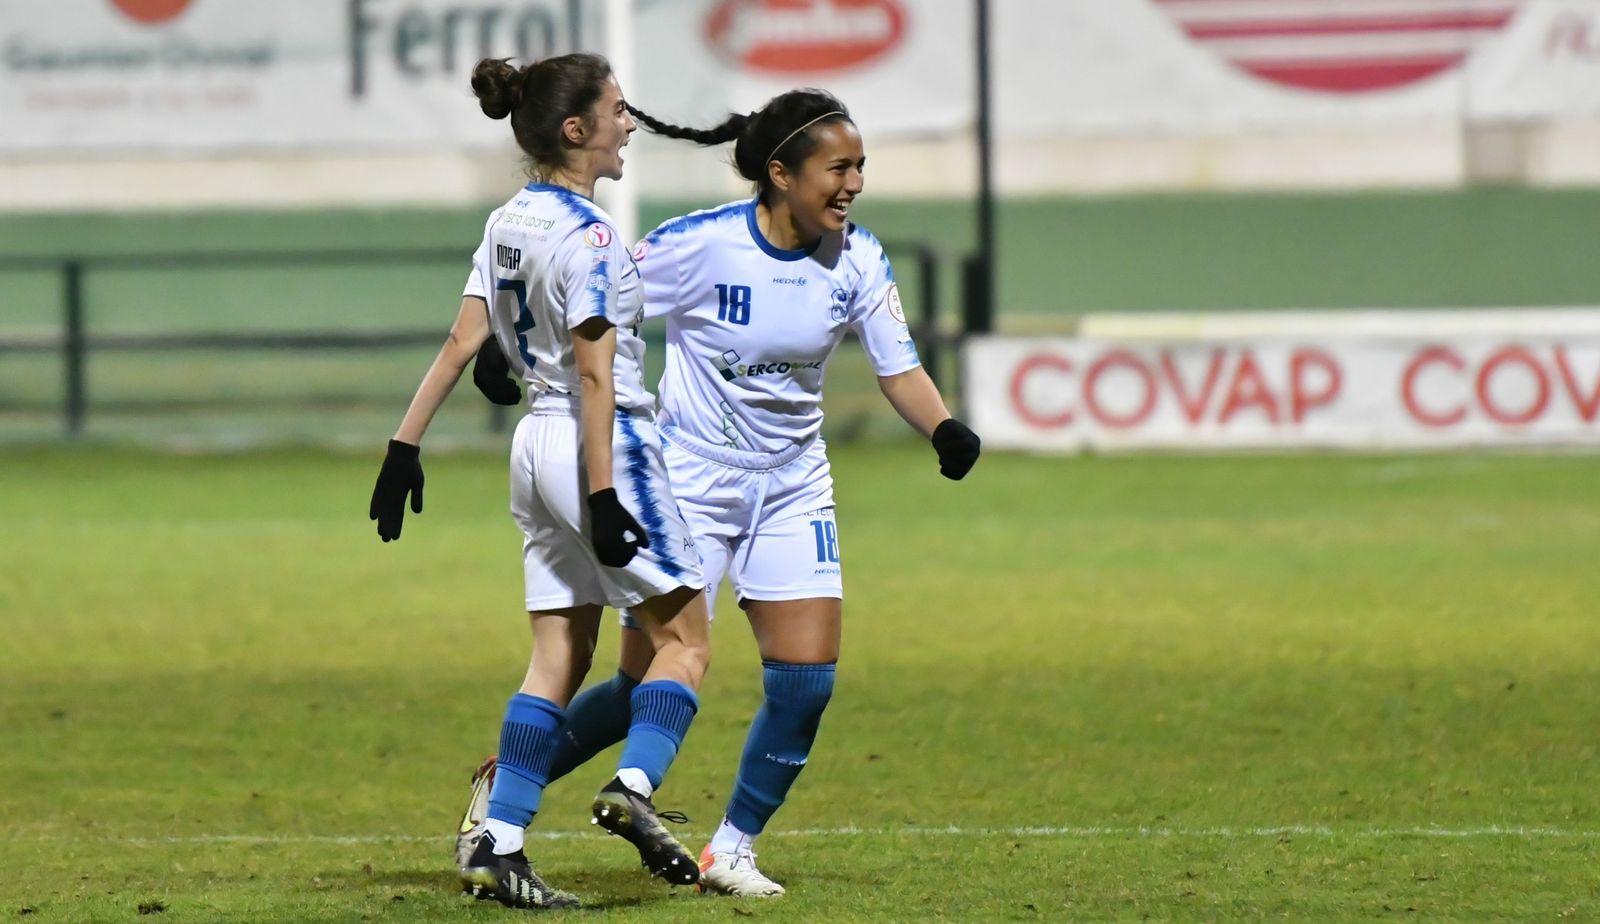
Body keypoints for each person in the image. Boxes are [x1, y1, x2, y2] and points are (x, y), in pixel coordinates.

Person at [463, 88, 982, 897]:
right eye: (837, 169)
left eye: (860, 168)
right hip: (688, 479)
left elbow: (899, 365)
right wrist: (505, 350)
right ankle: (503, 795)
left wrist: (944, 428)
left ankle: (730, 848)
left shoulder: (860, 259)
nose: (852, 185)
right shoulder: (700, 245)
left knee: (806, 680)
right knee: (644, 684)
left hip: (792, 485)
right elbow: (591, 300)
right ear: (780, 174)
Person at [368, 52, 713, 910]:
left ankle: (502, 844)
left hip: (531, 446)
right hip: (601, 444)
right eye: (618, 111)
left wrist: (402, 446)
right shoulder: (591, 239)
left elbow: (461, 342)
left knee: (558, 653)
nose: (630, 123)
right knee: (686, 642)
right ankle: (633, 787)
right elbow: (596, 378)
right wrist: (603, 496)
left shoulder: (509, 219)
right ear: (577, 130)